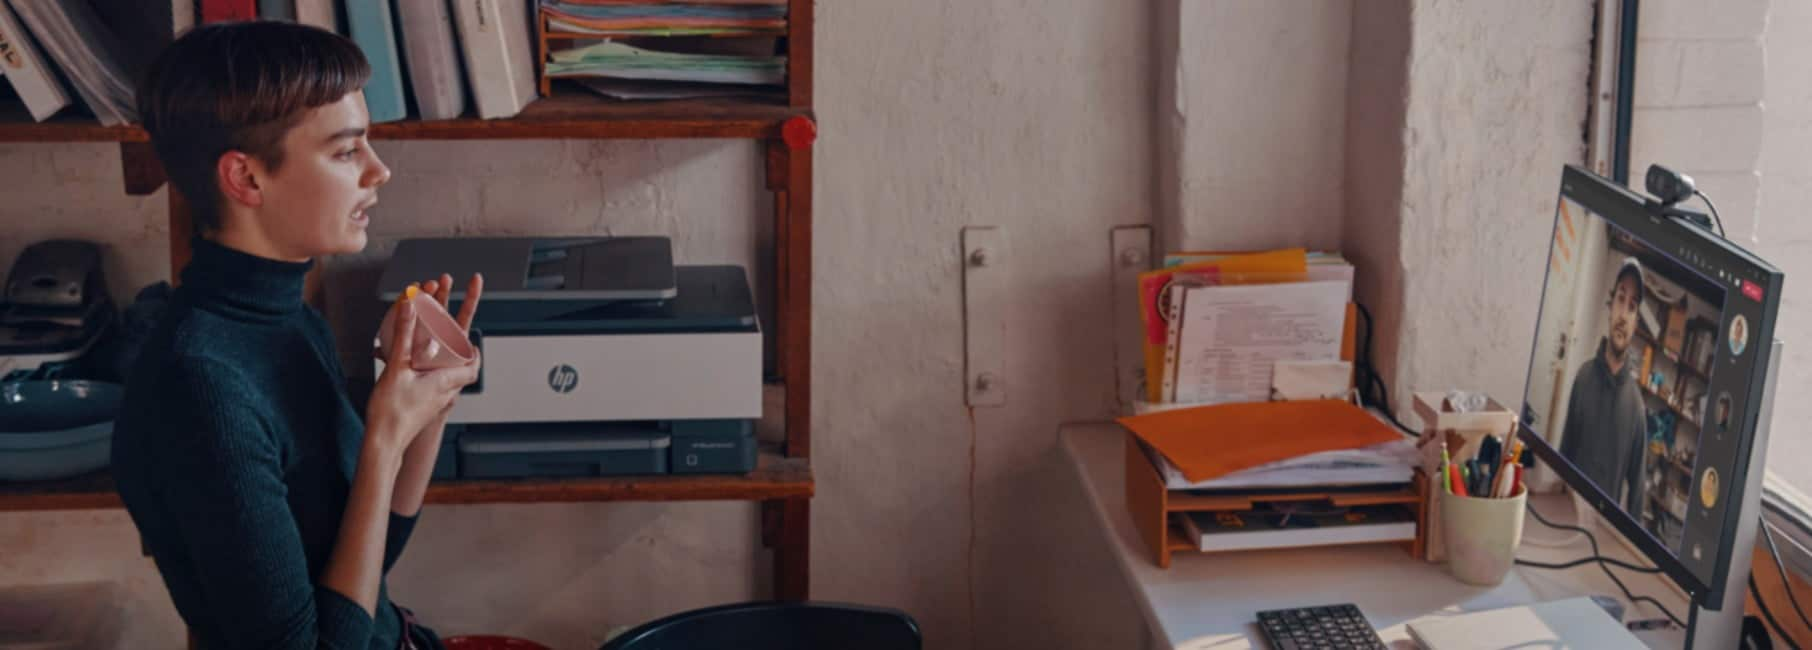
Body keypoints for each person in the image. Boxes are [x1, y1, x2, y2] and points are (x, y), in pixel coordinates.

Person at [111, 22, 482, 650]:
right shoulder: (201, 387)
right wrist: (386, 432)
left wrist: (427, 397)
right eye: (346, 151)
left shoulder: (291, 320)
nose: (379, 172)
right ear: (246, 179)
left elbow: (367, 563)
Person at [1559, 257, 1650, 518]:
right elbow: (1563, 455)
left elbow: (1637, 496)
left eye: (1632, 307)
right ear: (1610, 307)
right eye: (1621, 299)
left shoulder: (1636, 409)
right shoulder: (1583, 377)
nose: (1623, 314)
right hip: (1567, 518)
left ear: (1635, 324)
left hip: (1602, 534)